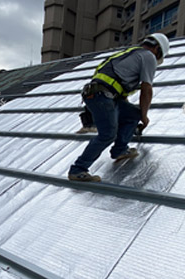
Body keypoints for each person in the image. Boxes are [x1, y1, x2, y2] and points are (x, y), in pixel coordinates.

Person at [68, 33, 170, 182]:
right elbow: (146, 89)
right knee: (108, 134)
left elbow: (117, 87)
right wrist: (145, 116)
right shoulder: (148, 56)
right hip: (101, 96)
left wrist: (138, 114)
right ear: (156, 49)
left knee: (133, 114)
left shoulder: (129, 54)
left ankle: (120, 150)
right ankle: (78, 169)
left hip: (99, 94)